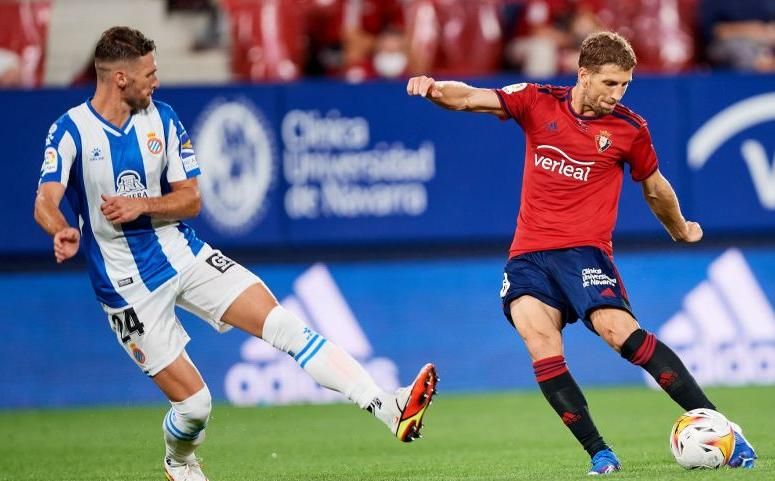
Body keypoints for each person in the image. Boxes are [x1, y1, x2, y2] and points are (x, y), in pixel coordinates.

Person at [34, 26, 437, 481]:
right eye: (149, 74)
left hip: (183, 253)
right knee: (195, 407)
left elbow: (191, 199)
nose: (156, 81)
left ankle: (386, 406)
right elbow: (45, 199)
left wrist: (142, 204)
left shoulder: (162, 118)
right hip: (126, 287)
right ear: (120, 78)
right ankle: (178, 461)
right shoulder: (71, 130)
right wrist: (62, 228)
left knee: (284, 324)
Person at [406, 31, 756, 474]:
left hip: (585, 254)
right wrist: (435, 89)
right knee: (539, 341)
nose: (618, 93)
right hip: (528, 256)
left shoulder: (630, 129)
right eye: (610, 83)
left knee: (618, 331)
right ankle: (600, 453)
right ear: (584, 74)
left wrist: (680, 228)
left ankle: (726, 431)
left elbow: (655, 188)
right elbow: (471, 99)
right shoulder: (537, 101)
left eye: (625, 84)